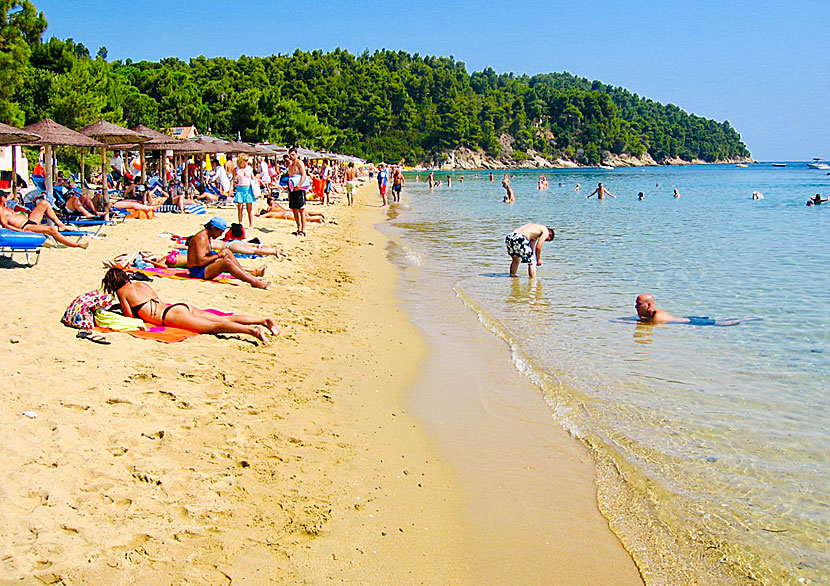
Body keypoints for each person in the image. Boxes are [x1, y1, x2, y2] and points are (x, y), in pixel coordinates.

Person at [102, 268, 278, 344]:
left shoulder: (122, 292)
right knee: (223, 318)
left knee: (214, 327)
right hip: (178, 307)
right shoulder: (141, 285)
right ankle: (264, 320)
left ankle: (253, 331)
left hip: (168, 317)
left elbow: (130, 317)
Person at [187, 217, 269, 288]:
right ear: (213, 228)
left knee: (227, 251)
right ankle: (254, 282)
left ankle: (247, 275)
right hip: (198, 272)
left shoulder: (207, 236)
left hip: (204, 267)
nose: (220, 235)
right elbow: (200, 261)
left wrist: (218, 255)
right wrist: (218, 255)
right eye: (220, 232)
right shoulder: (201, 238)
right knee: (226, 262)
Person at [0, 191, 89, 248]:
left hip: (29, 220)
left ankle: (61, 225)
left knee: (44, 203)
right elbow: (5, 224)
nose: (6, 197)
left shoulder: (6, 206)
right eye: (4, 196)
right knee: (51, 229)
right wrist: (21, 231)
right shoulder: (0, 209)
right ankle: (78, 245)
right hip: (25, 226)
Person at [286, 146, 309, 235]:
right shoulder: (290, 165)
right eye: (290, 155)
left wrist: (299, 185)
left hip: (299, 188)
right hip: (292, 189)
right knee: (294, 209)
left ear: (296, 154)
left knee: (301, 209)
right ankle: (298, 227)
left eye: (293, 155)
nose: (292, 156)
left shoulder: (299, 163)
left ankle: (303, 229)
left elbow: (304, 175)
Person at [257, 196, 325, 222]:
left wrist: (257, 213)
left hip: (287, 214)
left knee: (303, 216)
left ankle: (317, 217)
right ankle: (317, 217)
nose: (274, 201)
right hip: (287, 212)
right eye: (272, 200)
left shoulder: (271, 209)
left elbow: (260, 216)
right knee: (303, 215)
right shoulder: (271, 208)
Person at [233, 153, 256, 227]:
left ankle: (251, 224)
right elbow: (233, 180)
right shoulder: (236, 169)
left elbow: (253, 178)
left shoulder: (249, 168)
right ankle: (240, 223)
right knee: (240, 207)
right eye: (245, 160)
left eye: (247, 160)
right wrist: (231, 189)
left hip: (248, 188)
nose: (246, 162)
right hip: (240, 188)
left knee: (249, 208)